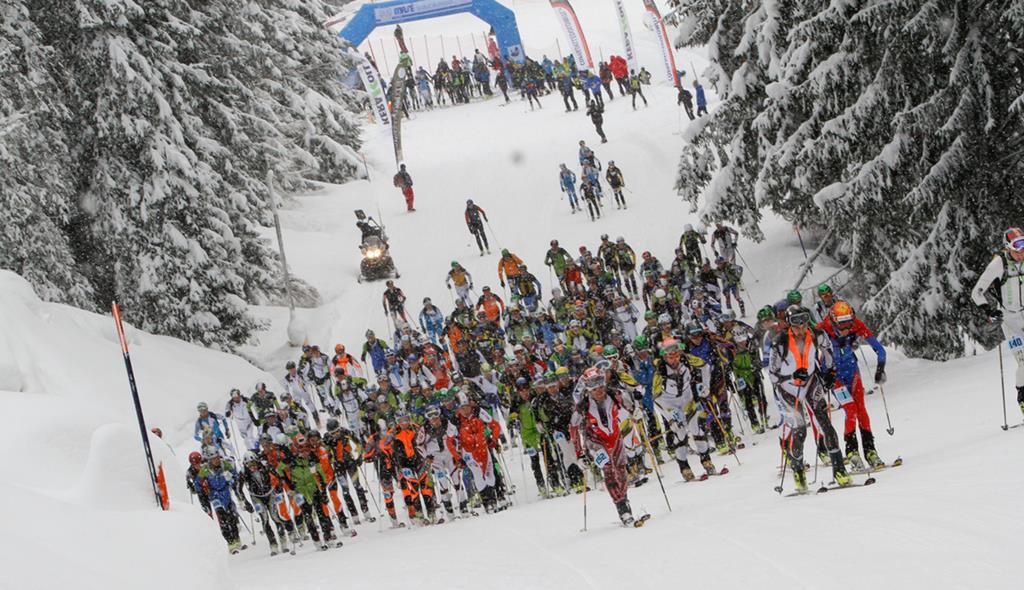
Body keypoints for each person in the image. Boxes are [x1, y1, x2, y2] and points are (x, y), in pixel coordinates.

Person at [768, 305, 852, 491]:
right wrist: (792, 376)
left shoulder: (816, 334)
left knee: (825, 424)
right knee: (800, 429)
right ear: (789, 325)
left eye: (804, 324)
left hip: (811, 382)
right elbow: (773, 375)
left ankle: (839, 470)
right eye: (796, 326)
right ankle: (798, 472)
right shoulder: (780, 342)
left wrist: (830, 371)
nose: (801, 329)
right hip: (788, 389)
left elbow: (828, 349)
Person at [818, 300, 887, 469]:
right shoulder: (822, 329)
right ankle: (852, 452)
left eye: (849, 322)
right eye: (842, 324)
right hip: (834, 376)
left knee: (861, 410)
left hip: (852, 371)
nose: (846, 328)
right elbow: (809, 352)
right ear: (834, 321)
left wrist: (880, 369)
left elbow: (880, 349)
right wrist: (822, 374)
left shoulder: (856, 324)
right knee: (850, 409)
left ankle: (870, 451)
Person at [570, 368, 643, 526]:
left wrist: (636, 411)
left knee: (621, 470)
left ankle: (624, 499)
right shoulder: (583, 405)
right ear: (588, 388)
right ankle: (622, 509)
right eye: (593, 387)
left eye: (601, 385)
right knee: (608, 469)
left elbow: (631, 406)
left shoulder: (615, 395)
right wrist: (579, 453)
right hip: (594, 441)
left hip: (615, 438)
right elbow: (573, 426)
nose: (599, 390)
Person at [972, 227, 1024, 416]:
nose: (1021, 252)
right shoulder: (998, 264)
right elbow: (976, 292)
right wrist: (989, 310)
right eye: (1017, 248)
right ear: (1008, 248)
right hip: (1009, 320)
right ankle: (1023, 398)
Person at [652, 338, 719, 480]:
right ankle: (684, 467)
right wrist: (669, 415)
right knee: (680, 434)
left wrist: (705, 386)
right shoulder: (660, 371)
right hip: (669, 403)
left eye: (677, 355)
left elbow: (705, 366)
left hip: (687, 399)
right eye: (671, 357)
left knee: (697, 429)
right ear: (664, 356)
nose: (675, 359)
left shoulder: (687, 359)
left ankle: (707, 461)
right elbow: (656, 398)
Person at [195, 451, 247, 553]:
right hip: (214, 495)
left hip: (226, 492)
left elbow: (235, 476)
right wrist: (202, 490)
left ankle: (237, 539)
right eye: (214, 459)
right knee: (222, 517)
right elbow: (198, 483)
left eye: (218, 458)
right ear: (210, 460)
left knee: (231, 516)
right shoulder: (205, 469)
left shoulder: (225, 464)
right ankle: (230, 542)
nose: (217, 460)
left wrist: (231, 479)